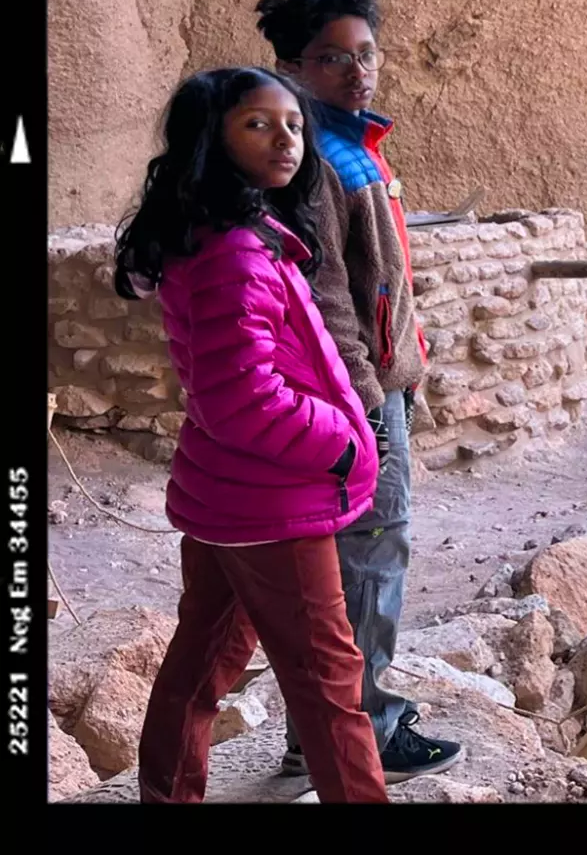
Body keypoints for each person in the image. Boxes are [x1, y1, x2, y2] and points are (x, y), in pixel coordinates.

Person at [118, 68, 389, 804]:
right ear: (214, 139)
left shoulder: (229, 234)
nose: (285, 140)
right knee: (330, 686)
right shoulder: (236, 251)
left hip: (230, 494)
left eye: (294, 125)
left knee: (202, 660)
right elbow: (241, 400)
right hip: (273, 501)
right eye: (258, 125)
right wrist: (343, 444)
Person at [255, 0, 463, 781]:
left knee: (354, 562)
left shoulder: (346, 141)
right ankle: (363, 733)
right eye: (334, 57)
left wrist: (409, 361)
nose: (358, 70)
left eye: (366, 53)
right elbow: (329, 299)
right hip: (356, 399)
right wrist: (370, 404)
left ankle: (322, 733)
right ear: (295, 66)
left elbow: (381, 278)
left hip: (376, 386)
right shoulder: (314, 154)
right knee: (371, 557)